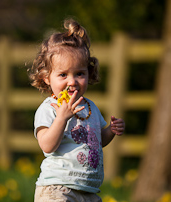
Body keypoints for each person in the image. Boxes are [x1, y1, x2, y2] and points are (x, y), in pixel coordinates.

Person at [28, 18, 125, 202]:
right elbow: (47, 145)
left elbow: (97, 140)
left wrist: (110, 131)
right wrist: (62, 118)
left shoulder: (91, 107)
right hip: (57, 189)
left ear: (89, 73)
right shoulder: (50, 108)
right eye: (63, 75)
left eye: (79, 73)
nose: (72, 81)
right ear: (47, 77)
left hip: (89, 191)